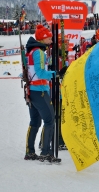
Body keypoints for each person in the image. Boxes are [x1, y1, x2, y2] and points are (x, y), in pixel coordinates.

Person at [24, 24, 61, 163]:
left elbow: (32, 70)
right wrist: (54, 73)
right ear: (43, 38)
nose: (51, 40)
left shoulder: (31, 50)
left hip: (31, 91)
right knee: (50, 120)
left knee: (35, 121)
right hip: (39, 91)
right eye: (49, 38)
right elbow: (40, 73)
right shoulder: (38, 51)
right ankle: (45, 152)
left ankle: (30, 151)